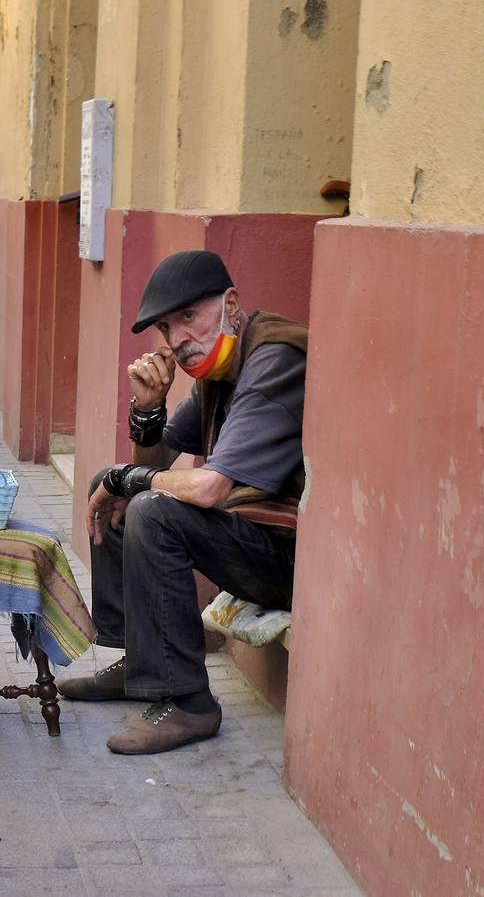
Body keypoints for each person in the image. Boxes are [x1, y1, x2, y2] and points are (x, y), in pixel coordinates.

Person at [61, 250, 309, 755]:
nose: (179, 341)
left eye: (189, 317)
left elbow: (209, 488)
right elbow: (154, 460)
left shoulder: (274, 358)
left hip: (294, 562)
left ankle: (189, 702)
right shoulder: (218, 367)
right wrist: (148, 412)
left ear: (232, 305)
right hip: (253, 540)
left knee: (146, 505)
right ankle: (138, 659)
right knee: (114, 493)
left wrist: (129, 478)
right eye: (167, 330)